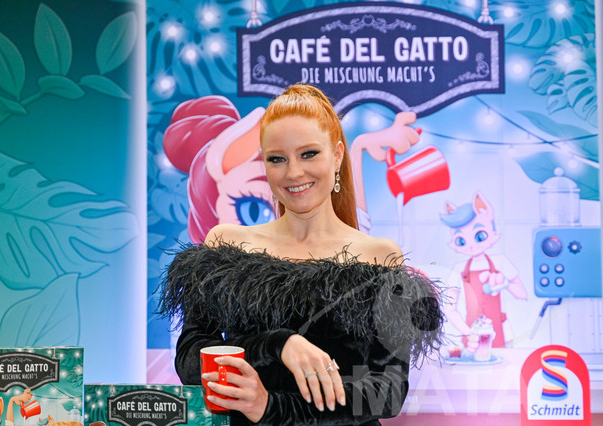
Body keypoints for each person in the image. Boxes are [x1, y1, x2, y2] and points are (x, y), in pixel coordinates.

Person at [158, 84, 443, 425]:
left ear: (337, 156)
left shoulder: (378, 256)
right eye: (277, 159)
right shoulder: (227, 245)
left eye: (308, 154)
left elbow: (387, 392)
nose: (293, 172)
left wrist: (271, 407)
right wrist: (278, 345)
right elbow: (191, 361)